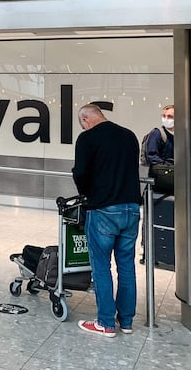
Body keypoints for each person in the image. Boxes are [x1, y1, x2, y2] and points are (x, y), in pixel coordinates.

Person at [72, 103, 141, 338]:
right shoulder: (129, 135)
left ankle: (105, 323)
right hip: (132, 208)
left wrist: (87, 193)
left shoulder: (87, 138)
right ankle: (127, 321)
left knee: (101, 267)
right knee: (127, 265)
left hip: (103, 209)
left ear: (85, 119)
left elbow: (80, 172)